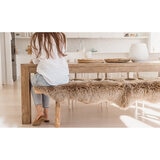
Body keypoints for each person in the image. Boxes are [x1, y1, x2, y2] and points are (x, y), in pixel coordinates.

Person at [30, 32, 69, 126]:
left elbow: (35, 60)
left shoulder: (37, 37)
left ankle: (40, 112)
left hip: (46, 78)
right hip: (64, 78)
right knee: (45, 82)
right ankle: (46, 114)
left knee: (35, 83)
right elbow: (63, 53)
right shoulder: (61, 35)